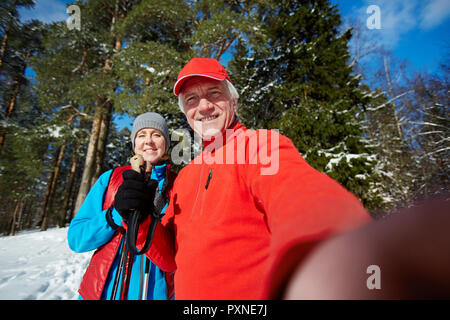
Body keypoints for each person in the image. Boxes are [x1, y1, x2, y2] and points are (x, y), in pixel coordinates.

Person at [155, 57, 372, 299]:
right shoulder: (184, 176)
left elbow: (302, 196)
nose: (204, 106)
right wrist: (141, 221)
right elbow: (169, 257)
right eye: (191, 99)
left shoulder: (261, 146)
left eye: (214, 93)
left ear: (233, 101)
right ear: (186, 113)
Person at [68, 112, 176, 300]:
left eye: (157, 135)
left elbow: (179, 253)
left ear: (166, 144)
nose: (148, 141)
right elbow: (77, 239)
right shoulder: (110, 180)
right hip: (101, 293)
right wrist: (113, 216)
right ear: (135, 144)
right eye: (141, 135)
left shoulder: (178, 185)